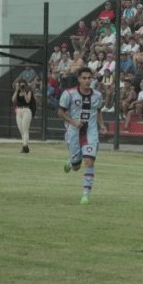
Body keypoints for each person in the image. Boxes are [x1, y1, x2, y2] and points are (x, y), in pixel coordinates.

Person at [58, 67, 107, 205]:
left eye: (89, 78)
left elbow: (98, 111)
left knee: (89, 161)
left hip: (91, 131)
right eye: (84, 78)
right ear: (79, 79)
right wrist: (73, 122)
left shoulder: (97, 95)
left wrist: (102, 125)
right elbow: (60, 113)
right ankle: (71, 161)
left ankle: (85, 195)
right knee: (76, 167)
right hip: (73, 132)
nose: (87, 81)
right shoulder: (69, 94)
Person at [12, 80, 33, 153]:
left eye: (23, 85)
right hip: (19, 110)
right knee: (21, 130)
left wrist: (24, 93)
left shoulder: (28, 92)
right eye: (21, 85)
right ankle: (26, 147)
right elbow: (13, 100)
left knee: (25, 129)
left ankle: (24, 146)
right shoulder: (17, 92)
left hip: (26, 110)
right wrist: (17, 90)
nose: (22, 86)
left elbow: (28, 101)